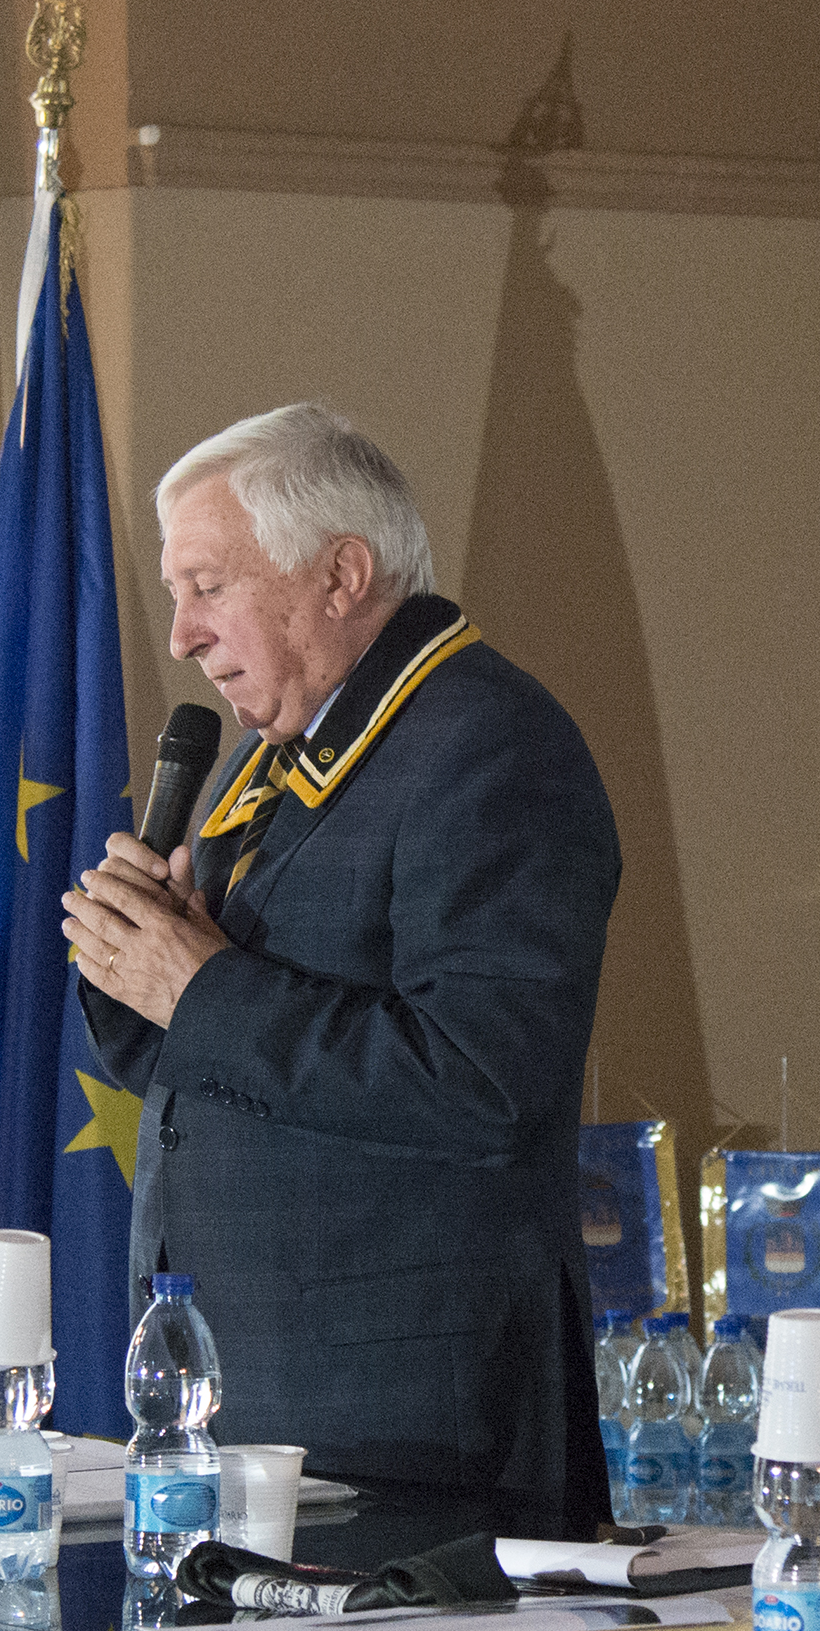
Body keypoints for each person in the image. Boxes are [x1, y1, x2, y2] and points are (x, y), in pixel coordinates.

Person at [64, 403, 619, 1531]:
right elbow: (207, 1065)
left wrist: (200, 983)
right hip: (263, 1413)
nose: (181, 636)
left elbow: (485, 1082)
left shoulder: (490, 749)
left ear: (341, 575)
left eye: (207, 586)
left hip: (415, 1442)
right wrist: (139, 965)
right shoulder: (278, 760)